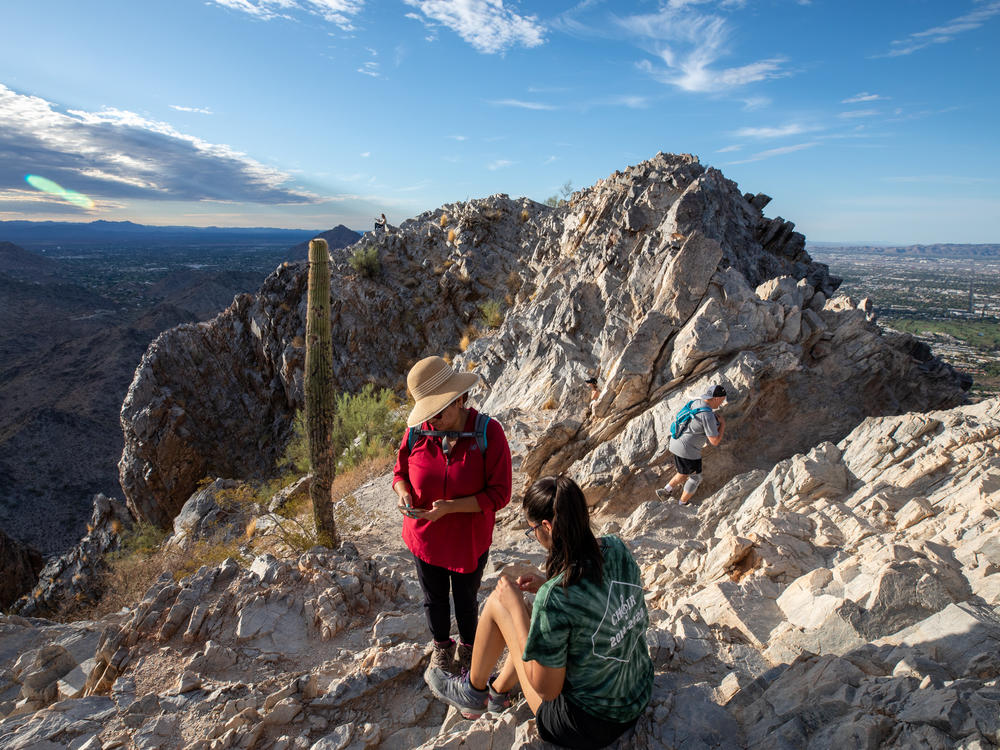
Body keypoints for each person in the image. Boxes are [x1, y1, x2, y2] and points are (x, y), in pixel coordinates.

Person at [426, 475, 653, 750]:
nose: (534, 534)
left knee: (502, 604)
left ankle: (473, 692)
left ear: (546, 526)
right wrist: (546, 587)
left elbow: (546, 689)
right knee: (535, 618)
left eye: (532, 529)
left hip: (588, 725)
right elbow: (596, 604)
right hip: (636, 692)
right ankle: (497, 694)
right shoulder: (615, 548)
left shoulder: (556, 597)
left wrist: (517, 611)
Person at [393, 356, 512, 676]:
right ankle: (441, 647)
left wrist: (449, 508)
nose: (433, 419)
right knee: (433, 599)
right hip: (424, 537)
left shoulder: (489, 433)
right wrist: (404, 493)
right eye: (428, 411)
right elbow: (399, 472)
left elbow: (500, 494)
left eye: (439, 410)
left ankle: (469, 648)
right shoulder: (418, 431)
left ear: (460, 399)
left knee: (465, 598)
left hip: (467, 540)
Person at [656, 384, 727, 506]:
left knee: (683, 472)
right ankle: (682, 504)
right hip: (688, 450)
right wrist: (722, 425)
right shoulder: (708, 416)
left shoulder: (697, 402)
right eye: (722, 400)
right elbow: (714, 441)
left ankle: (665, 491)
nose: (721, 403)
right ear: (716, 398)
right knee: (696, 478)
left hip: (676, 441)